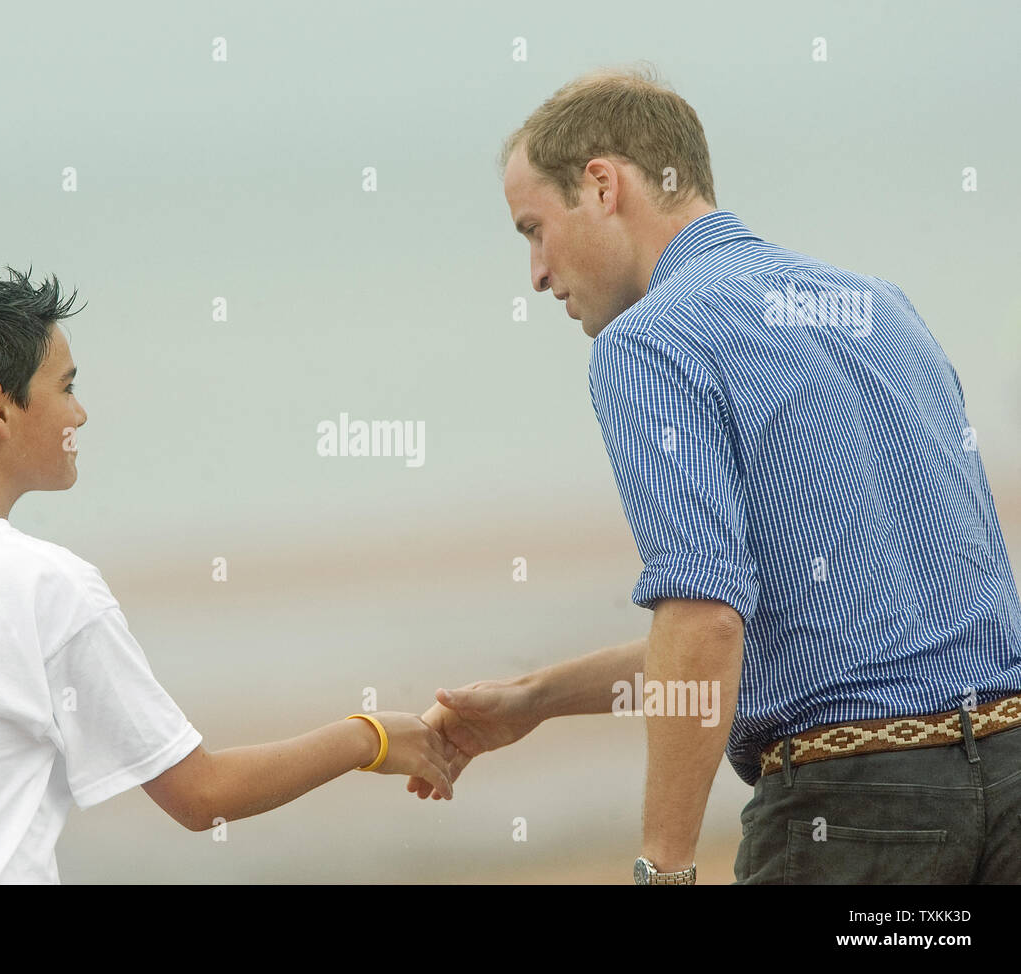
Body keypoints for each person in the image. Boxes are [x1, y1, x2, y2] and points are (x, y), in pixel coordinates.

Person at [408, 66, 1021, 885]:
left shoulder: (649, 341)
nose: (537, 274)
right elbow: (819, 640)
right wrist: (535, 698)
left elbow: (705, 619)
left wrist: (665, 865)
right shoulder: (883, 307)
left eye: (532, 229)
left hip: (852, 815)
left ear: (601, 185)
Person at [0, 269, 455, 884]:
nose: (81, 412)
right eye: (66, 387)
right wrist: (373, 738)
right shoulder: (49, 587)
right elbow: (201, 796)